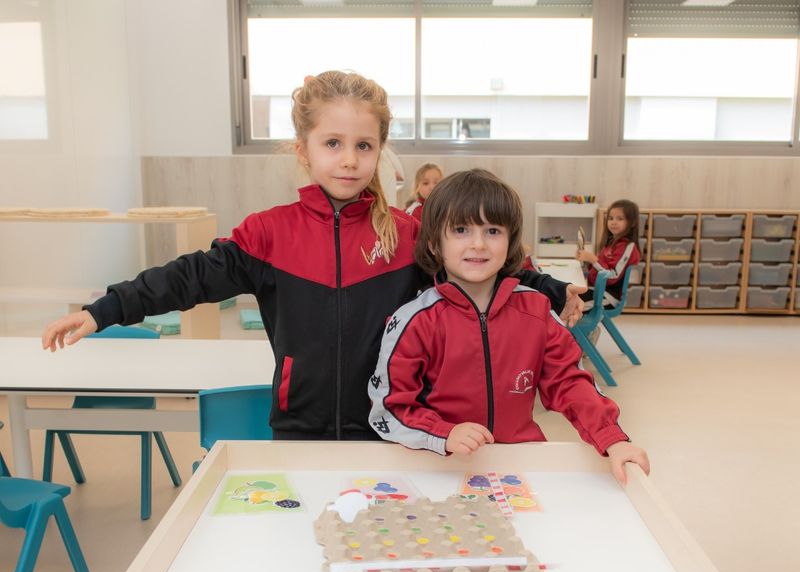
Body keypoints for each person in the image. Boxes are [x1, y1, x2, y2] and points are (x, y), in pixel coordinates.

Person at [41, 71, 584, 442]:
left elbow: (485, 263)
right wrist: (104, 309)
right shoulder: (268, 234)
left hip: (392, 428)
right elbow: (187, 278)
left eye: (364, 146)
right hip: (298, 427)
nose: (349, 160)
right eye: (332, 143)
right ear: (303, 149)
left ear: (380, 152)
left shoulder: (406, 235)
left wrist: (556, 291)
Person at [368, 169, 649, 484]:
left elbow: (569, 381)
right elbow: (389, 409)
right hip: (442, 468)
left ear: (511, 240)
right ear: (434, 244)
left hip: (518, 466)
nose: (478, 244)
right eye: (461, 230)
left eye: (492, 231)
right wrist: (443, 433)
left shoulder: (535, 310)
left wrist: (612, 438)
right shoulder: (414, 320)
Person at [575, 200, 641, 309]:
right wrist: (587, 260)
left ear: (632, 222)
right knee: (565, 295)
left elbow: (613, 275)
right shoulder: (610, 243)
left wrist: (593, 260)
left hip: (608, 297)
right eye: (610, 218)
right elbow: (597, 269)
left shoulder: (629, 247)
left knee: (568, 303)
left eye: (620, 219)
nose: (613, 222)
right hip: (596, 289)